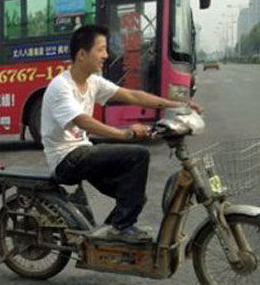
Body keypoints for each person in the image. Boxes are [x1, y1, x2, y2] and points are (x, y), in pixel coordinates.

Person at [41, 24, 202, 242]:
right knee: (138, 155)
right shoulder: (61, 86)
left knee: (135, 195)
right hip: (65, 159)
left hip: (82, 152)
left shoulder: (92, 81)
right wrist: (125, 134)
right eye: (101, 49)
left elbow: (133, 96)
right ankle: (121, 227)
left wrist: (177, 104)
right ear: (81, 54)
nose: (106, 56)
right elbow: (83, 121)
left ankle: (104, 240)